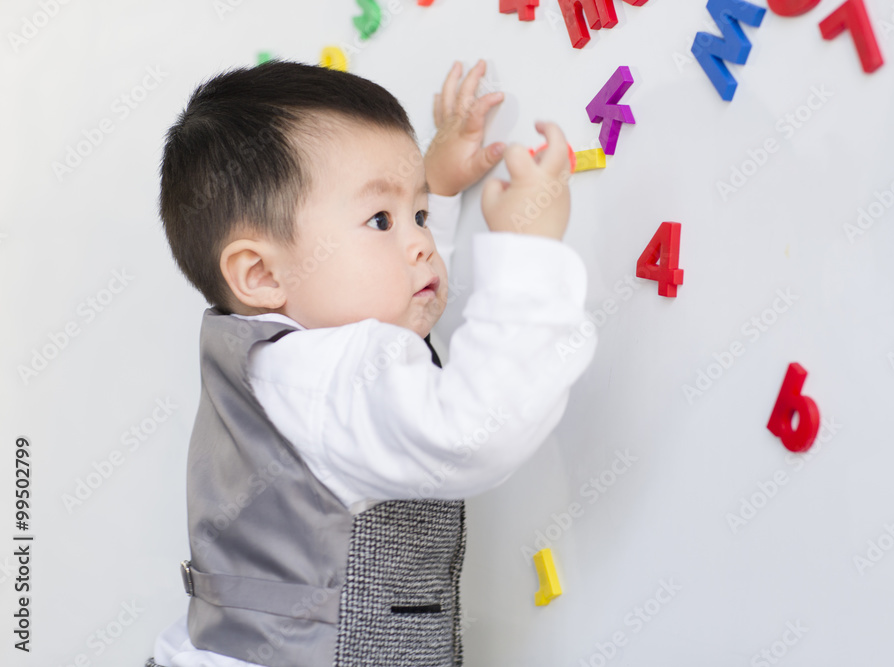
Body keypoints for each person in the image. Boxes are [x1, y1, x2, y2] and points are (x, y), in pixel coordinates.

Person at [148, 57, 597, 667]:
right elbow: (473, 430)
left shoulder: (271, 358)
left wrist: (431, 184)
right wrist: (529, 255)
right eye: (382, 219)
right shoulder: (324, 377)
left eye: (417, 216)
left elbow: (386, 286)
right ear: (260, 274)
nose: (420, 242)